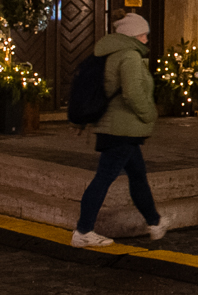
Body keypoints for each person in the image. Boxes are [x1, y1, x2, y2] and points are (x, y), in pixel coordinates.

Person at [71, 13, 170, 247]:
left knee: (137, 175)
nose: (146, 38)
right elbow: (133, 93)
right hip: (122, 128)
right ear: (134, 35)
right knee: (104, 177)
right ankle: (83, 230)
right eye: (144, 34)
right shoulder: (129, 56)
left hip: (116, 126)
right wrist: (150, 114)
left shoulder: (111, 53)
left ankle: (154, 222)